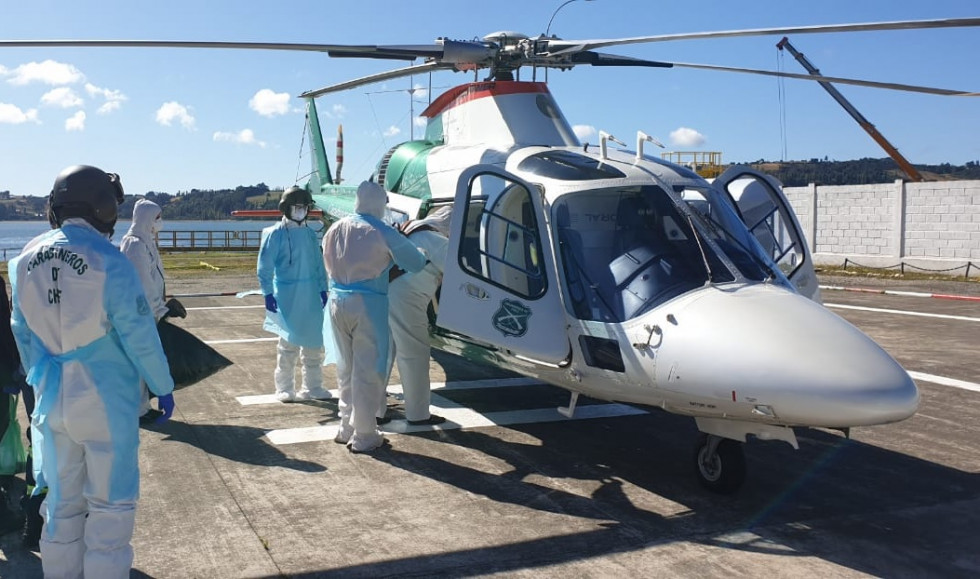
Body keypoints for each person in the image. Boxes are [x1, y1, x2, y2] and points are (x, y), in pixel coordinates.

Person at [9, 165, 175, 577]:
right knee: (110, 510)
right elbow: (140, 336)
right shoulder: (110, 262)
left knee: (62, 507)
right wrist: (162, 384)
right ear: (101, 206)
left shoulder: (23, 261)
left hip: (52, 397)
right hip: (105, 402)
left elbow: (23, 333)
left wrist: (42, 378)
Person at [322, 180, 427, 453]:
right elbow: (415, 263)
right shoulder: (381, 230)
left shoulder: (335, 228)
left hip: (336, 302)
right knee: (368, 370)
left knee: (346, 366)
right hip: (368, 304)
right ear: (380, 203)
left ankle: (345, 426)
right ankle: (366, 434)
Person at [257, 186, 330, 402]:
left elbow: (318, 264)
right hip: (287, 294)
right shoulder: (274, 234)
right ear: (286, 208)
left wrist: (323, 288)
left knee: (314, 343)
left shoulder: (309, 234)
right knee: (288, 344)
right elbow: (264, 267)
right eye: (297, 207)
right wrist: (267, 293)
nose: (301, 211)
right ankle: (285, 387)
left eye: (304, 207)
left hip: (311, 296)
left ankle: (313, 386)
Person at [384, 206, 453, 425]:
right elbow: (458, 270)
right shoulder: (436, 238)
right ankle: (418, 414)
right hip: (407, 300)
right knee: (414, 355)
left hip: (384, 293)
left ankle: (374, 411)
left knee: (382, 355)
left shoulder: (411, 227)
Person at [120, 198, 186, 422]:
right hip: (138, 311)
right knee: (137, 359)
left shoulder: (146, 241)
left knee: (143, 358)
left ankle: (142, 406)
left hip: (147, 311)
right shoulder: (134, 244)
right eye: (157, 218)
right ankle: (137, 410)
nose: (160, 222)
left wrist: (162, 305)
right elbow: (143, 283)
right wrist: (160, 309)